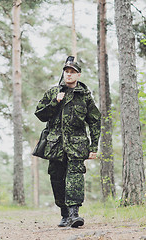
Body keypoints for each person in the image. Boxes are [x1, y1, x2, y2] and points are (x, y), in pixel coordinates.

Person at [34, 56, 101, 228]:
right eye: (67, 71)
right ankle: (64, 214)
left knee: (75, 178)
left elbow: (94, 120)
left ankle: (74, 214)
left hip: (77, 146)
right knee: (57, 179)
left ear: (78, 75)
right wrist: (55, 102)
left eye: (73, 72)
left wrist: (94, 146)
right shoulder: (52, 93)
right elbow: (40, 114)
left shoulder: (85, 96)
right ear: (63, 73)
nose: (69, 75)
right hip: (55, 145)